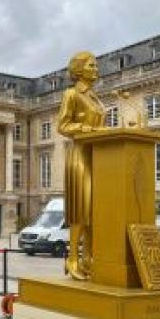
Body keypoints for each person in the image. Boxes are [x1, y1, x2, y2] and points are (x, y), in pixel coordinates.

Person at [57, 51, 105, 280]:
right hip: (80, 157)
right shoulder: (72, 94)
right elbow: (63, 126)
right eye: (91, 65)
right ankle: (73, 258)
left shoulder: (95, 97)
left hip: (99, 157)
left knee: (94, 212)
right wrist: (86, 130)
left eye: (96, 65)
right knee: (80, 210)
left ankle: (90, 258)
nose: (96, 69)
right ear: (79, 69)